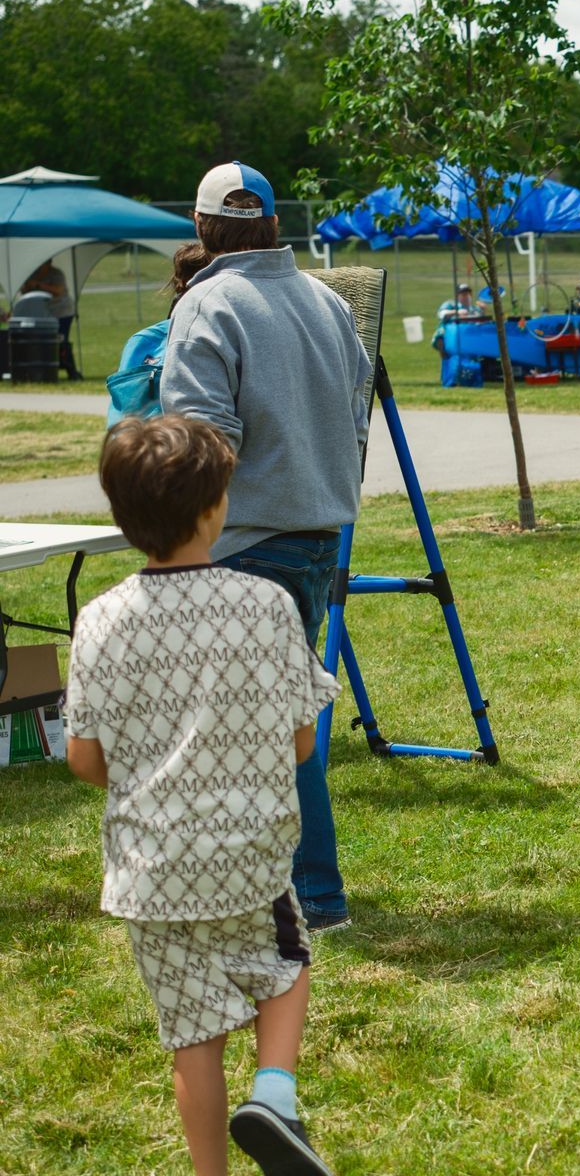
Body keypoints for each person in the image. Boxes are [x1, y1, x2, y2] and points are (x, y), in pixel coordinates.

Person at [64, 415, 340, 1176]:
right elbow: (300, 741)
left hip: (153, 870)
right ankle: (275, 1096)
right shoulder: (264, 605)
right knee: (285, 967)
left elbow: (85, 758)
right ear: (216, 506)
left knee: (193, 1037)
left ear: (122, 518)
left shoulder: (100, 621)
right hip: (248, 854)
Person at [161, 160, 373, 932]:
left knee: (246, 730)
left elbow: (202, 445)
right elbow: (357, 421)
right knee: (276, 721)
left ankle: (309, 894)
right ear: (273, 223)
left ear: (201, 226)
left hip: (243, 541)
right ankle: (292, 889)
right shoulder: (326, 300)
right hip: (318, 534)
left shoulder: (207, 304)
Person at [23, 259, 83, 379]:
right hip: (44, 314)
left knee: (61, 341)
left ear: (48, 263)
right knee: (45, 343)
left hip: (62, 312)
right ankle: (47, 370)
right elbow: (24, 291)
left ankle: (71, 371)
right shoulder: (32, 274)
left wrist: (39, 285)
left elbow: (58, 291)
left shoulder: (56, 274)